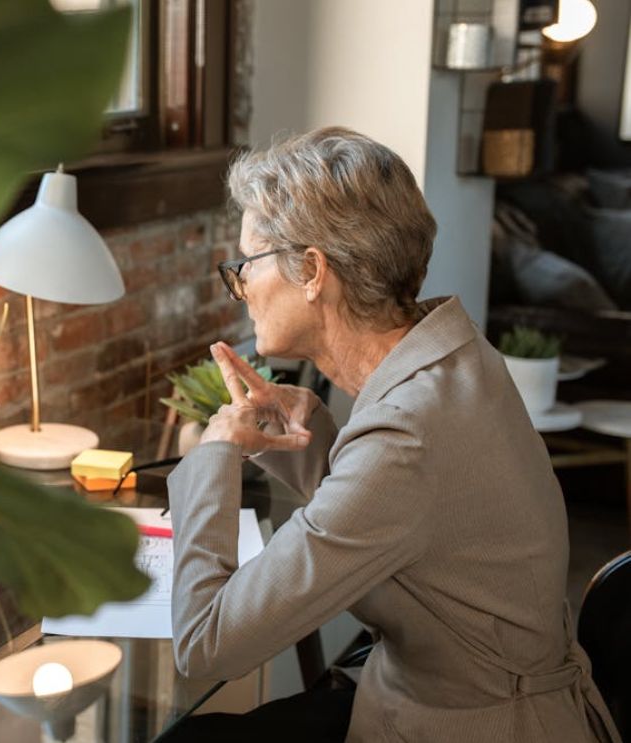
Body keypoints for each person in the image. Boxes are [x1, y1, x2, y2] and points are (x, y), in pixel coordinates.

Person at [166, 127, 619, 742]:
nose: (240, 284)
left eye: (246, 263)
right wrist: (313, 432)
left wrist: (215, 453)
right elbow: (409, 522)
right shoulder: (454, 354)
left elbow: (205, 645)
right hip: (427, 696)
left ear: (312, 272)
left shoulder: (406, 434)